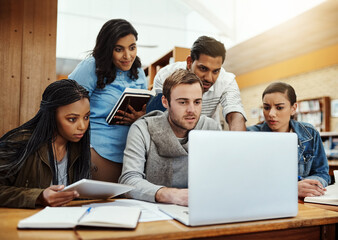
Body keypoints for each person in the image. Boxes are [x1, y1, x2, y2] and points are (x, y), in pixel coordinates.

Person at [119, 69, 221, 206]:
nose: (192, 110)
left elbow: (223, 175)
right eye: (183, 102)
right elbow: (129, 180)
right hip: (155, 213)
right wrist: (172, 195)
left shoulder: (211, 128)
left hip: (201, 208)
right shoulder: (142, 129)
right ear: (165, 102)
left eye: (197, 102)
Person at [69, 19, 148, 183]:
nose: (127, 56)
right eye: (119, 49)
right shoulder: (91, 66)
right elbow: (66, 104)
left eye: (132, 48)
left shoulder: (138, 71)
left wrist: (140, 117)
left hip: (132, 153)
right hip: (97, 149)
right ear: (107, 48)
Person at [0, 79, 91, 208]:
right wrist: (39, 196)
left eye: (86, 117)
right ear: (52, 116)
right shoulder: (21, 143)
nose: (82, 126)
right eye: (72, 119)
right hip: (23, 222)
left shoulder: (79, 146)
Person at [247, 82, 330, 198]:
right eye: (266, 107)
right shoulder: (249, 135)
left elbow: (322, 173)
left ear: (293, 108)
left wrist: (309, 185)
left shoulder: (310, 133)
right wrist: (291, 188)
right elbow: (247, 181)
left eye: (279, 107)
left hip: (304, 203)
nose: (271, 114)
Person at [153, 36, 246, 131]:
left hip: (207, 136)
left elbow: (235, 116)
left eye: (216, 71)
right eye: (203, 68)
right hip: (172, 135)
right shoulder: (164, 76)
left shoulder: (226, 80)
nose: (209, 78)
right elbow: (159, 117)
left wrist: (238, 143)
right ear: (189, 62)